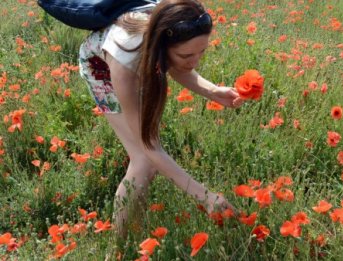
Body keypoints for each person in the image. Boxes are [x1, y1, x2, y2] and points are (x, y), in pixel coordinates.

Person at [78, 0, 243, 240]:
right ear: (160, 46)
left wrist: (213, 91)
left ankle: (131, 229)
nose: (195, 61)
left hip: (142, 57)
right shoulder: (125, 58)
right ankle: (120, 246)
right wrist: (205, 197)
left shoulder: (173, 29)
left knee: (148, 160)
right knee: (143, 159)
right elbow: (149, 145)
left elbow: (177, 64)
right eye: (187, 54)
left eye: (202, 51)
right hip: (102, 68)